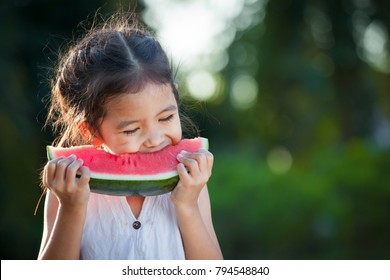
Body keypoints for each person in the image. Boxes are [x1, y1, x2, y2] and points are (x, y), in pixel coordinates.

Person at [38, 12, 223, 260]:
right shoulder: (67, 187)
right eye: (131, 130)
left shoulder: (191, 182)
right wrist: (71, 208)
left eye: (166, 118)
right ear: (91, 131)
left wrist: (187, 206)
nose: (155, 139)